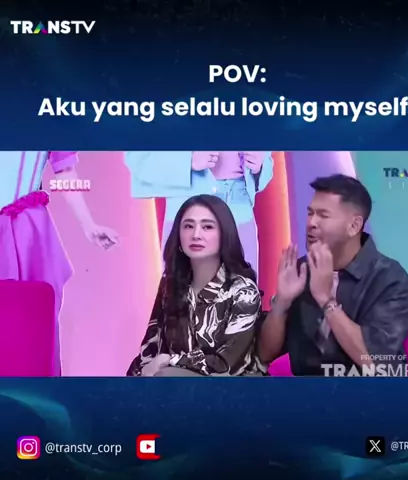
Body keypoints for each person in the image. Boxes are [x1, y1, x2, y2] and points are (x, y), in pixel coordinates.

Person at [258, 174, 408, 377]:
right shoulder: (301, 271)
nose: (311, 223)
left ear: (354, 226)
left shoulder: (390, 280)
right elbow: (265, 354)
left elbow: (375, 362)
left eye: (323, 215)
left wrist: (326, 300)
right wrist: (282, 303)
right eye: (310, 213)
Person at [0, 151, 119, 375]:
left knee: (28, 331)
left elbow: (65, 170)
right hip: (25, 227)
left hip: (25, 233)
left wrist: (88, 224)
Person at [127, 194, 266, 377]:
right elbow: (151, 346)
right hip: (174, 381)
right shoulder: (170, 284)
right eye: (188, 226)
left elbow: (227, 364)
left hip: (228, 384)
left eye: (207, 227)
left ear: (225, 235)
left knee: (165, 377)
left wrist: (171, 360)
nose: (196, 235)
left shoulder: (243, 291)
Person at [124, 151, 273, 274]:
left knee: (244, 298)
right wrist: (188, 160)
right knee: (182, 297)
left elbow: (266, 165)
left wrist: (259, 167)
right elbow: (137, 157)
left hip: (240, 214)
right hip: (188, 215)